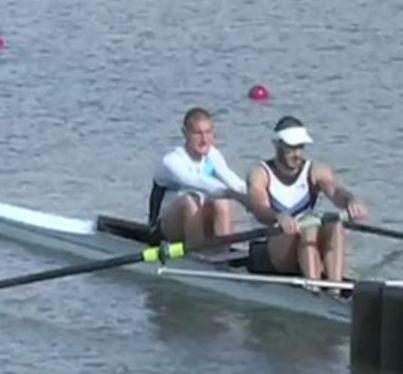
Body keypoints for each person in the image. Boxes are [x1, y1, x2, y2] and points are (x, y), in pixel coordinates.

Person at [243, 116, 369, 287]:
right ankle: (314, 290)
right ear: (277, 144)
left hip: (305, 242)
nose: (297, 154)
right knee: (309, 228)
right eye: (291, 148)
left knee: (334, 223)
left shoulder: (316, 170)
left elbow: (336, 192)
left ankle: (335, 289)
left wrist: (351, 202)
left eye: (301, 147)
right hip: (274, 251)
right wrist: (279, 216)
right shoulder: (260, 174)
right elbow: (259, 207)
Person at [148, 107, 250, 247]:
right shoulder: (171, 161)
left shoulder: (213, 156)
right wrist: (233, 194)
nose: (204, 139)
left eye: (208, 132)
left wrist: (258, 197)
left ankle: (223, 254)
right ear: (185, 133)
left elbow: (236, 184)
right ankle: (198, 257)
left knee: (222, 202)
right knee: (189, 201)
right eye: (198, 133)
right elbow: (197, 181)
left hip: (197, 221)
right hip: (165, 229)